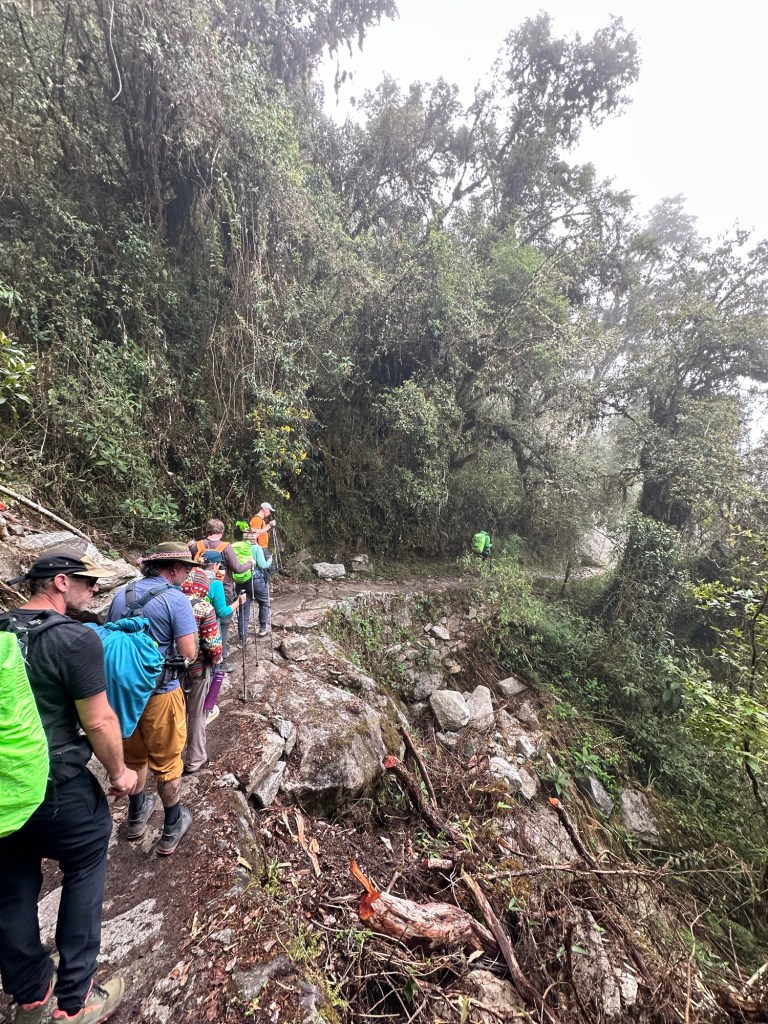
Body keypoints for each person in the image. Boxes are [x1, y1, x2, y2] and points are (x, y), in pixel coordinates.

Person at [0, 550, 137, 1024]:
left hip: (5, 790)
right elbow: (98, 720)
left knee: (12, 883)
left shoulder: (0, 629)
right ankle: (75, 1002)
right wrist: (119, 774)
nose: (94, 591)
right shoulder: (75, 640)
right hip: (57, 788)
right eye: (88, 583)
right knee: (84, 864)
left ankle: (32, 994)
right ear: (61, 582)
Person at [107, 543, 198, 857]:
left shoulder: (121, 596)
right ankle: (172, 824)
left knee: (134, 758)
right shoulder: (176, 599)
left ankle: (135, 817)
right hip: (160, 694)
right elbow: (188, 653)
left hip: (121, 697)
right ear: (172, 569)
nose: (187, 575)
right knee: (168, 762)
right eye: (186, 569)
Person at [180, 569, 222, 775]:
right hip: (197, 668)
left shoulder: (170, 602)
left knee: (175, 712)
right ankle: (194, 759)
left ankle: (170, 757)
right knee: (197, 714)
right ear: (203, 587)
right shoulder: (204, 607)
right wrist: (216, 658)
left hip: (169, 670)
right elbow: (213, 645)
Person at [199, 549, 244, 672]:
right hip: (209, 626)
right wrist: (237, 603)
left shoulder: (191, 579)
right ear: (215, 565)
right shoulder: (215, 584)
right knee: (211, 662)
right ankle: (217, 671)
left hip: (192, 625)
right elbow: (222, 613)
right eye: (219, 565)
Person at [188, 519, 253, 603]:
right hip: (223, 590)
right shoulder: (226, 547)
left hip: (199, 588)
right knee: (223, 614)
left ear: (207, 531)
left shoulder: (195, 546)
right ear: (222, 532)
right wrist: (250, 563)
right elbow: (238, 569)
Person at [231, 522, 272, 641]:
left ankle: (243, 637)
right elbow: (263, 565)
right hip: (256, 580)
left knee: (243, 608)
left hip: (240, 581)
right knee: (264, 601)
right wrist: (270, 560)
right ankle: (263, 628)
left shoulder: (233, 548)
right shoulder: (255, 547)